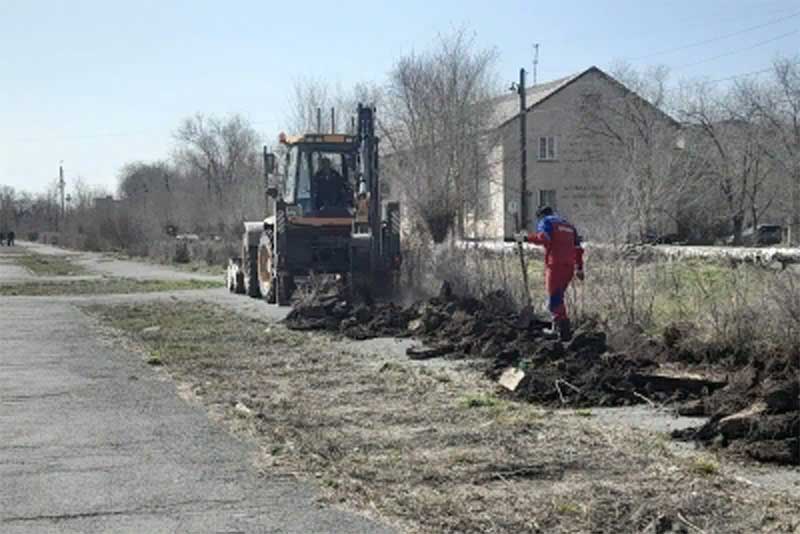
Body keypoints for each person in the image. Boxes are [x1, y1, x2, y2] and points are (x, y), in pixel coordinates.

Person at [515, 206, 584, 340]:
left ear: (540, 216)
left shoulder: (546, 222)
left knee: (554, 299)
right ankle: (559, 328)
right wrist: (579, 268)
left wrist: (525, 238)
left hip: (555, 265)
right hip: (569, 267)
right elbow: (578, 248)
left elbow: (544, 238)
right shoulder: (569, 225)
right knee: (559, 297)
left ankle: (561, 331)